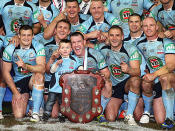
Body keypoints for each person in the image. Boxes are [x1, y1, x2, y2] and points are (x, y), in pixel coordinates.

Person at [92, 25, 142, 126]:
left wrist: (128, 70)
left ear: (122, 37)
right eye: (111, 35)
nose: (114, 38)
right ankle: (124, 105)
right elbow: (87, 46)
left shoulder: (130, 48)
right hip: (114, 86)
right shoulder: (102, 48)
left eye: (117, 35)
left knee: (138, 116)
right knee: (110, 117)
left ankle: (129, 115)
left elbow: (137, 72)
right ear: (108, 37)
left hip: (127, 84)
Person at [136, 17, 175, 129]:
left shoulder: (166, 42)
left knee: (164, 78)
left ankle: (169, 118)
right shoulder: (139, 43)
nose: (148, 28)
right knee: (159, 120)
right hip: (157, 82)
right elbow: (122, 44)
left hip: (171, 79)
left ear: (157, 27)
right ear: (142, 28)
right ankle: (153, 111)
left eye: (151, 25)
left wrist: (154, 74)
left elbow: (171, 66)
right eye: (146, 26)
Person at [2, 25, 46, 122]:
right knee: (18, 115)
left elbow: (42, 68)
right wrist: (15, 92)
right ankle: (31, 102)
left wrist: (26, 67)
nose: (26, 38)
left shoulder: (38, 46)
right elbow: (5, 73)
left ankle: (35, 112)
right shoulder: (10, 49)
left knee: (39, 75)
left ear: (33, 36)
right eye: (24, 35)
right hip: (19, 80)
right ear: (19, 35)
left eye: (29, 35)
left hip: (32, 78)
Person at [70, 31, 112, 124]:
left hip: (91, 87)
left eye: (79, 42)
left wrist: (97, 75)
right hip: (74, 89)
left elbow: (106, 74)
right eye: (73, 42)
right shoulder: (67, 54)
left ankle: (98, 112)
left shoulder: (95, 54)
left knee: (107, 83)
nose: (76, 45)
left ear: (84, 42)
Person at [34, 19, 71, 118]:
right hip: (50, 82)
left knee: (65, 113)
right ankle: (39, 105)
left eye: (65, 28)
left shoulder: (72, 46)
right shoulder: (45, 45)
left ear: (69, 32)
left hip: (67, 84)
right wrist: (52, 59)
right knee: (54, 115)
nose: (62, 30)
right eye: (60, 27)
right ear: (55, 30)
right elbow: (46, 71)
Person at [42, 39, 81, 122]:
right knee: (50, 101)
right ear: (59, 49)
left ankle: (62, 115)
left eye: (67, 47)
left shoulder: (74, 59)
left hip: (67, 88)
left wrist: (82, 70)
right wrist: (56, 64)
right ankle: (46, 114)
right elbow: (51, 71)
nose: (65, 49)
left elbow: (80, 68)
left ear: (71, 49)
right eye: (62, 48)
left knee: (64, 102)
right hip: (55, 86)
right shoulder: (57, 59)